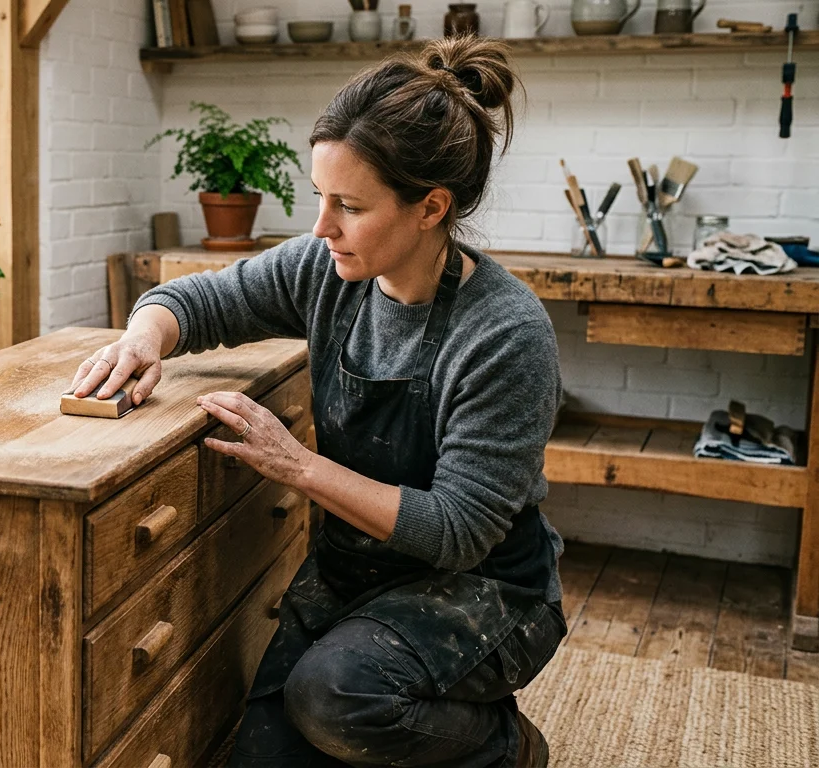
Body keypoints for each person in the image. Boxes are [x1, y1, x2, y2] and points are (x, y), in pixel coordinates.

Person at [68, 37, 565, 768]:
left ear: (431, 207)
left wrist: (296, 465)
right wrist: (144, 338)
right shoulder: (326, 268)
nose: (321, 226)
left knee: (335, 698)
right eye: (319, 197)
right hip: (356, 570)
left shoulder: (506, 333)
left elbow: (457, 531)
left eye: (349, 206)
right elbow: (195, 300)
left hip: (485, 588)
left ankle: (504, 744)